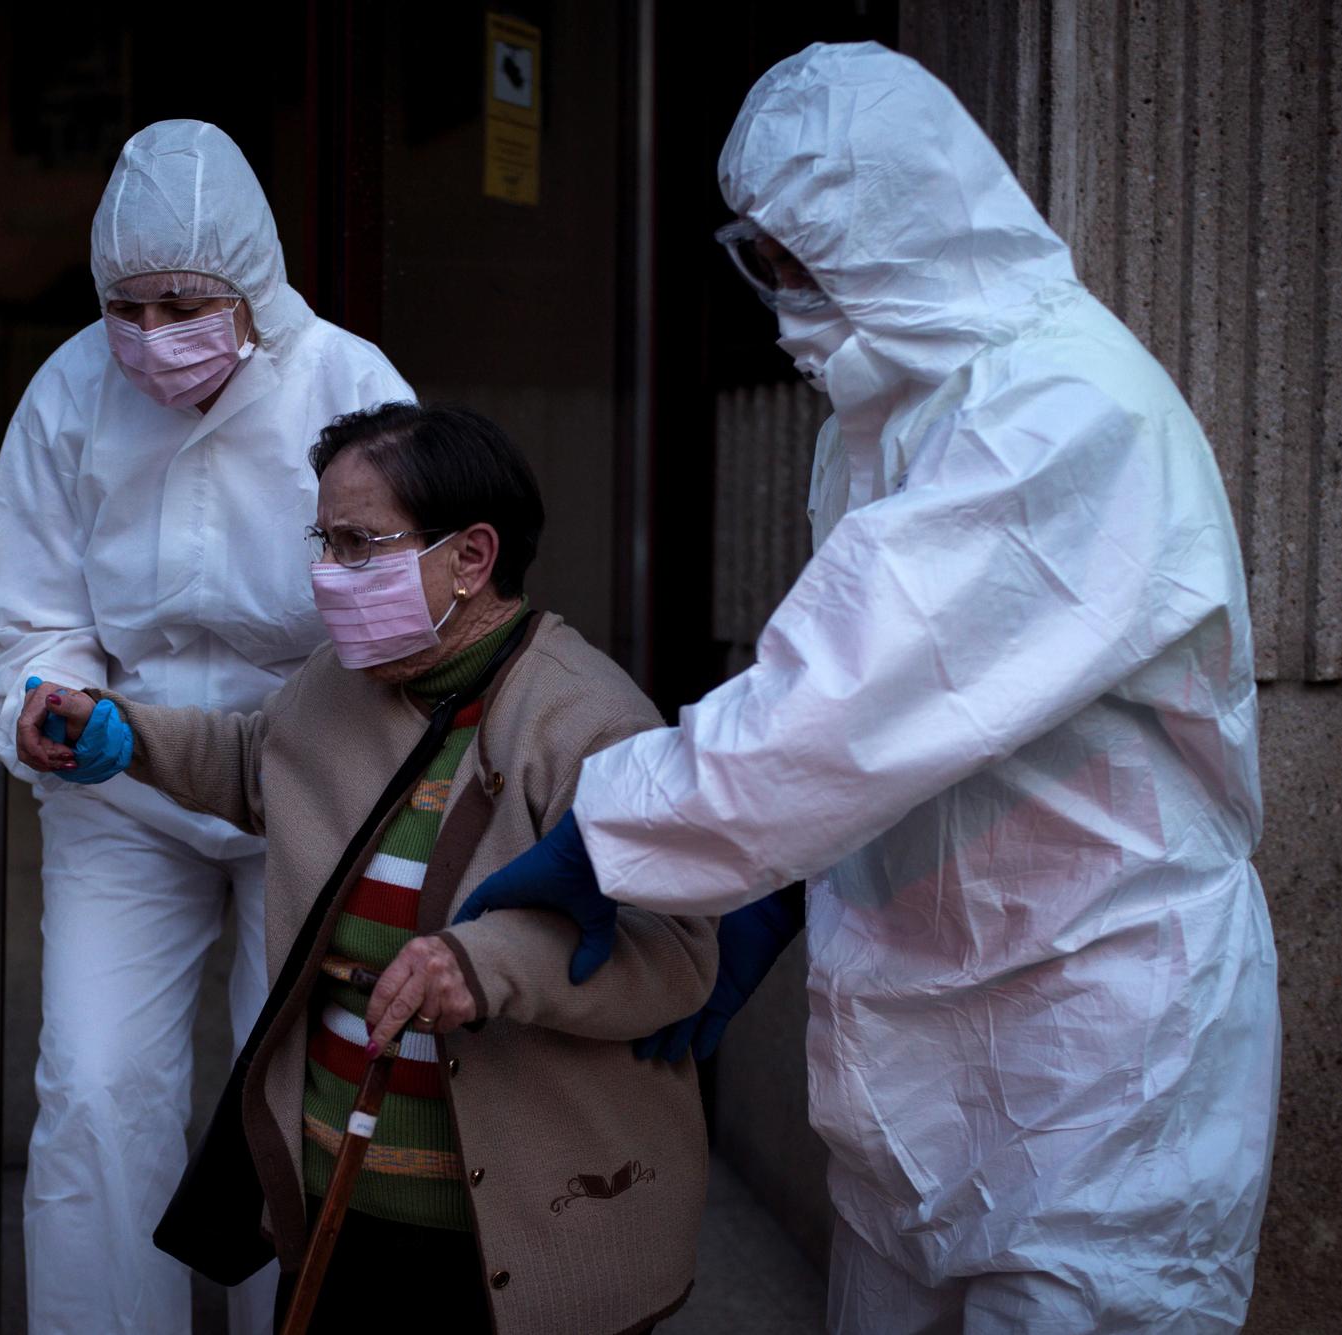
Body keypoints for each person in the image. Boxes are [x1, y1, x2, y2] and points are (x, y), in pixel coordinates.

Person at [458, 42, 1280, 1333]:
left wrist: (609, 833)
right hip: (929, 1043)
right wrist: (779, 888)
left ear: (907, 225)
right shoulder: (896, 413)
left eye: (807, 269)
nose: (788, 310)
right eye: (769, 268)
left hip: (1104, 1061)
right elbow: (897, 733)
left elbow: (835, 702)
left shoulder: (1064, 415)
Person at [30, 403, 716, 1335]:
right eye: (325, 541)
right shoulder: (338, 684)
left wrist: (487, 964)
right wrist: (123, 732)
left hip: (513, 1237)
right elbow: (257, 763)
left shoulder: (589, 721)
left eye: (360, 545)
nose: (329, 576)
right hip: (340, 1205)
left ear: (472, 558)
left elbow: (672, 950)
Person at [0, 119, 412, 1335]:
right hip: (130, 784)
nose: (153, 336)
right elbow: (24, 609)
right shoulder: (68, 391)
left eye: (186, 302)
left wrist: (343, 746)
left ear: (253, 288)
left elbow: (412, 613)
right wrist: (49, 706)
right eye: (129, 304)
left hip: (310, 785)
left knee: (301, 1097)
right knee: (97, 1086)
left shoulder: (351, 387)